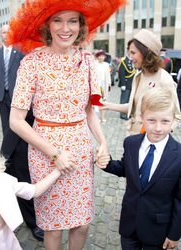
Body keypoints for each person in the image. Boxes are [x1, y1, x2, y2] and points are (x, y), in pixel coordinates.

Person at [8, 0, 125, 248]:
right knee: (53, 227)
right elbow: (16, 122)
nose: (65, 28)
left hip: (81, 150)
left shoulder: (87, 61)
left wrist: (103, 143)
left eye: (73, 21)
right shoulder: (31, 63)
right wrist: (55, 153)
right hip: (45, 153)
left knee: (82, 224)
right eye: (58, 20)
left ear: (81, 26)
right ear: (47, 25)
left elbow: (90, 111)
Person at [97, 87, 181, 250]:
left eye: (164, 121)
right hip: (130, 223)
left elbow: (180, 200)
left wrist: (174, 234)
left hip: (158, 230)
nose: (158, 128)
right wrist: (107, 163)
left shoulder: (179, 155)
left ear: (173, 120)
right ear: (141, 117)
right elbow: (125, 168)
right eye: (151, 120)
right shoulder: (131, 143)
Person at [0, 24, 43, 241]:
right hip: (11, 111)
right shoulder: (2, 53)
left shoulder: (26, 52)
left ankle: (28, 215)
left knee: (19, 163)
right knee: (13, 160)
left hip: (31, 117)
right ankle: (20, 216)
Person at [102, 29, 180, 135]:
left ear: (146, 52)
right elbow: (134, 108)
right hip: (133, 138)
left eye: (133, 53)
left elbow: (176, 116)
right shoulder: (138, 76)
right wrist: (106, 105)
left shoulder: (164, 79)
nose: (131, 58)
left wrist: (156, 135)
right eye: (129, 53)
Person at [94, 49, 111, 123]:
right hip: (97, 85)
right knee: (96, 102)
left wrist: (109, 84)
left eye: (103, 56)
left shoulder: (106, 65)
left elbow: (108, 75)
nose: (101, 57)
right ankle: (96, 117)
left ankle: (103, 117)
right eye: (100, 56)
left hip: (104, 85)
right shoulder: (94, 64)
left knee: (104, 101)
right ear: (97, 57)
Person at [117, 53, 136, 120]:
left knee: (129, 100)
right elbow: (121, 73)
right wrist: (123, 84)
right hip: (126, 83)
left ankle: (128, 113)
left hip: (132, 84)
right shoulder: (124, 61)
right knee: (124, 100)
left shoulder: (133, 61)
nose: (132, 55)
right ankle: (122, 114)